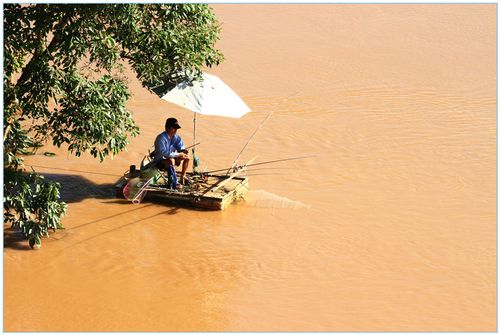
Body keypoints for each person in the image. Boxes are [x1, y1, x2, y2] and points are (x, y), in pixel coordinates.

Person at [152, 117, 190, 188]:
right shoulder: (161, 138)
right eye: (174, 128)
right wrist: (178, 154)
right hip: (159, 162)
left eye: (176, 128)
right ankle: (173, 182)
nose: (176, 130)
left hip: (173, 158)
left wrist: (184, 151)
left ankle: (183, 176)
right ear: (167, 128)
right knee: (171, 160)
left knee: (187, 156)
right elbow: (164, 153)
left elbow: (181, 148)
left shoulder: (177, 138)